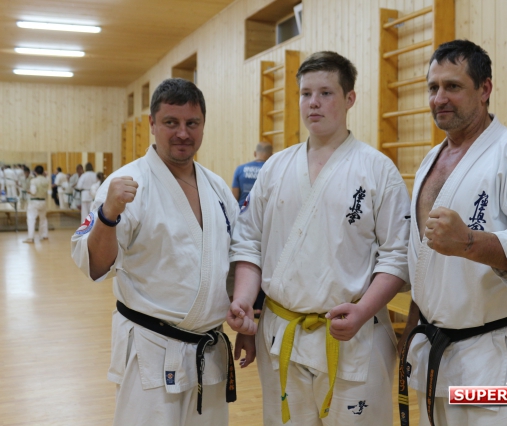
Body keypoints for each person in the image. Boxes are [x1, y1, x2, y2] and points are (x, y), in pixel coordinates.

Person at [228, 51, 411, 426]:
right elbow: (248, 242)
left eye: (326, 93)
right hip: (281, 331)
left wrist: (363, 310)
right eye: (306, 93)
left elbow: (397, 255)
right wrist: (244, 301)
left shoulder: (377, 170)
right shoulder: (275, 168)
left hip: (355, 334)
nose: (313, 102)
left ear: (349, 98)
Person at [397, 40, 507, 426]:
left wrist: (468, 242)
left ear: (484, 89)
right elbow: (425, 266)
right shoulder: (431, 160)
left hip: (499, 361)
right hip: (436, 355)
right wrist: (410, 330)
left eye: (452, 86)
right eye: (433, 87)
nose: (439, 98)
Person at [71, 78, 240, 426]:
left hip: (208, 351)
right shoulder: (128, 183)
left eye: (192, 123)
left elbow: (235, 259)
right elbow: (95, 266)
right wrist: (108, 214)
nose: (182, 133)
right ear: (152, 123)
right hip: (149, 348)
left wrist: (248, 321)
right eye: (171, 122)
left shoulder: (217, 187)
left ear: (203, 125)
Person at [230, 141, 273, 316]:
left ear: (255, 153)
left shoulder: (240, 169)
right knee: (265, 259)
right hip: (266, 220)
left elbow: (234, 197)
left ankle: (246, 301)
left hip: (244, 219)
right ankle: (260, 304)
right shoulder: (271, 169)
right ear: (270, 155)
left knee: (246, 258)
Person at [23, 165, 49, 244]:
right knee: (43, 218)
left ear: (35, 172)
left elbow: (33, 192)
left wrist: (28, 191)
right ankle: (44, 235)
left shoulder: (34, 181)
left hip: (34, 202)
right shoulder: (46, 180)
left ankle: (30, 238)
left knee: (31, 219)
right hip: (43, 201)